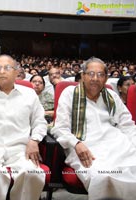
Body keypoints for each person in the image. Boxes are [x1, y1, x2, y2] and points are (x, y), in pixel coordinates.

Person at [51, 57, 136, 200]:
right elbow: (59, 128)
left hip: (118, 145)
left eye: (100, 74)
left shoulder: (112, 96)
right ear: (83, 76)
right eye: (90, 74)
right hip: (84, 147)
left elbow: (127, 125)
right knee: (102, 176)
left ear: (106, 78)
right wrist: (76, 144)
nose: (95, 78)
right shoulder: (70, 94)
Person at [0, 55, 47, 200]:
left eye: (7, 68)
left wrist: (34, 140)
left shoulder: (29, 94)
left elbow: (40, 122)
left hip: (21, 150)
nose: (2, 71)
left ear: (17, 72)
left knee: (33, 174)